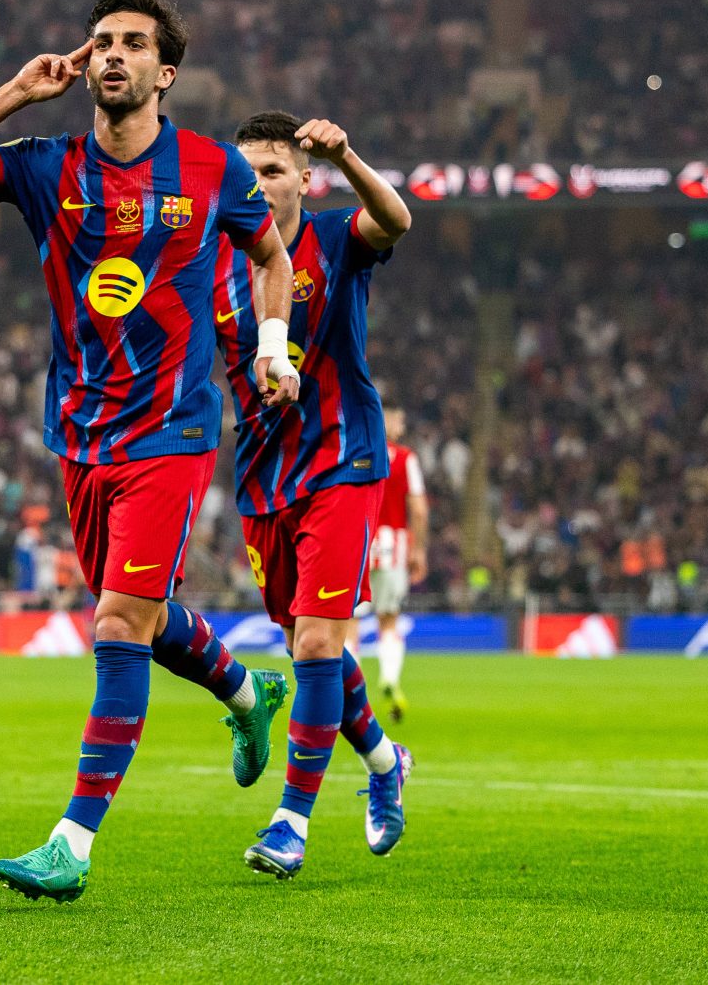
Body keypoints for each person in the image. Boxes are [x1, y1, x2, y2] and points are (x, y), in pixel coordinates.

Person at [0, 0, 301, 902]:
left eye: (131, 43)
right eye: (100, 41)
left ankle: (71, 842)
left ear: (165, 72)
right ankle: (247, 692)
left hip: (173, 429)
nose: (111, 54)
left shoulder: (209, 169)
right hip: (81, 433)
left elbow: (271, 253)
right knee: (149, 621)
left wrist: (272, 347)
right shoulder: (48, 165)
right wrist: (14, 93)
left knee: (117, 624)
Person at [214, 110, 414, 880]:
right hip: (265, 477)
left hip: (344, 461)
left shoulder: (333, 240)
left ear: (304, 178)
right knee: (309, 645)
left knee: (319, 645)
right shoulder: (214, 260)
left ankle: (291, 821)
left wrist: (351, 155)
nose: (259, 186)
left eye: (273, 170)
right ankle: (386, 761)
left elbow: (396, 219)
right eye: (247, 173)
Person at [370, 405, 429, 723]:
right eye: (400, 418)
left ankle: (347, 690)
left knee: (348, 621)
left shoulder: (359, 448)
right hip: (394, 546)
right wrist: (419, 550)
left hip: (361, 543)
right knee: (388, 620)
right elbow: (418, 510)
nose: (403, 424)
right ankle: (389, 677)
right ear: (389, 419)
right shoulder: (406, 458)